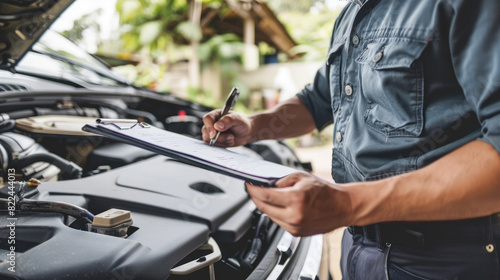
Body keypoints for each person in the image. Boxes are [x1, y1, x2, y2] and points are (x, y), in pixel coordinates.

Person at [202, 0, 500, 278]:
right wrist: (255, 125)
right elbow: (318, 100)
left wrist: (348, 203)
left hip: (442, 258)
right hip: (357, 246)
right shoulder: (352, 14)